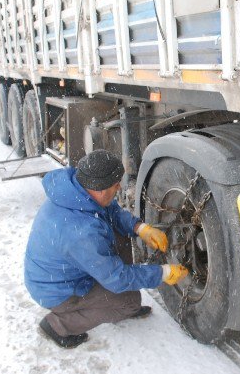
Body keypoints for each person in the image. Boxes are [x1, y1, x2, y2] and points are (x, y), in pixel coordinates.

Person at [24, 149, 189, 349]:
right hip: (58, 290)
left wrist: (140, 228)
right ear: (100, 189)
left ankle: (108, 291)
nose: (119, 186)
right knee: (129, 301)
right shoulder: (81, 233)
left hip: (63, 271)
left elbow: (110, 210)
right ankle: (58, 325)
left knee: (119, 233)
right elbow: (118, 278)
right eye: (115, 184)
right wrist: (163, 272)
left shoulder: (78, 193)